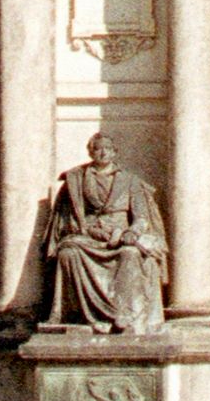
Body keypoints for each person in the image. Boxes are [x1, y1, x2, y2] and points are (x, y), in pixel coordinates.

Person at [36, 129, 169, 331]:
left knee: (130, 254)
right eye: (98, 149)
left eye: (107, 149)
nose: (103, 153)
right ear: (90, 152)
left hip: (121, 238)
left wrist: (131, 232)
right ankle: (72, 314)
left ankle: (124, 314)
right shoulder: (76, 179)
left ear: (114, 152)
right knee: (68, 252)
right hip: (88, 234)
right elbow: (68, 218)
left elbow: (141, 216)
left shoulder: (130, 181)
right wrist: (89, 230)